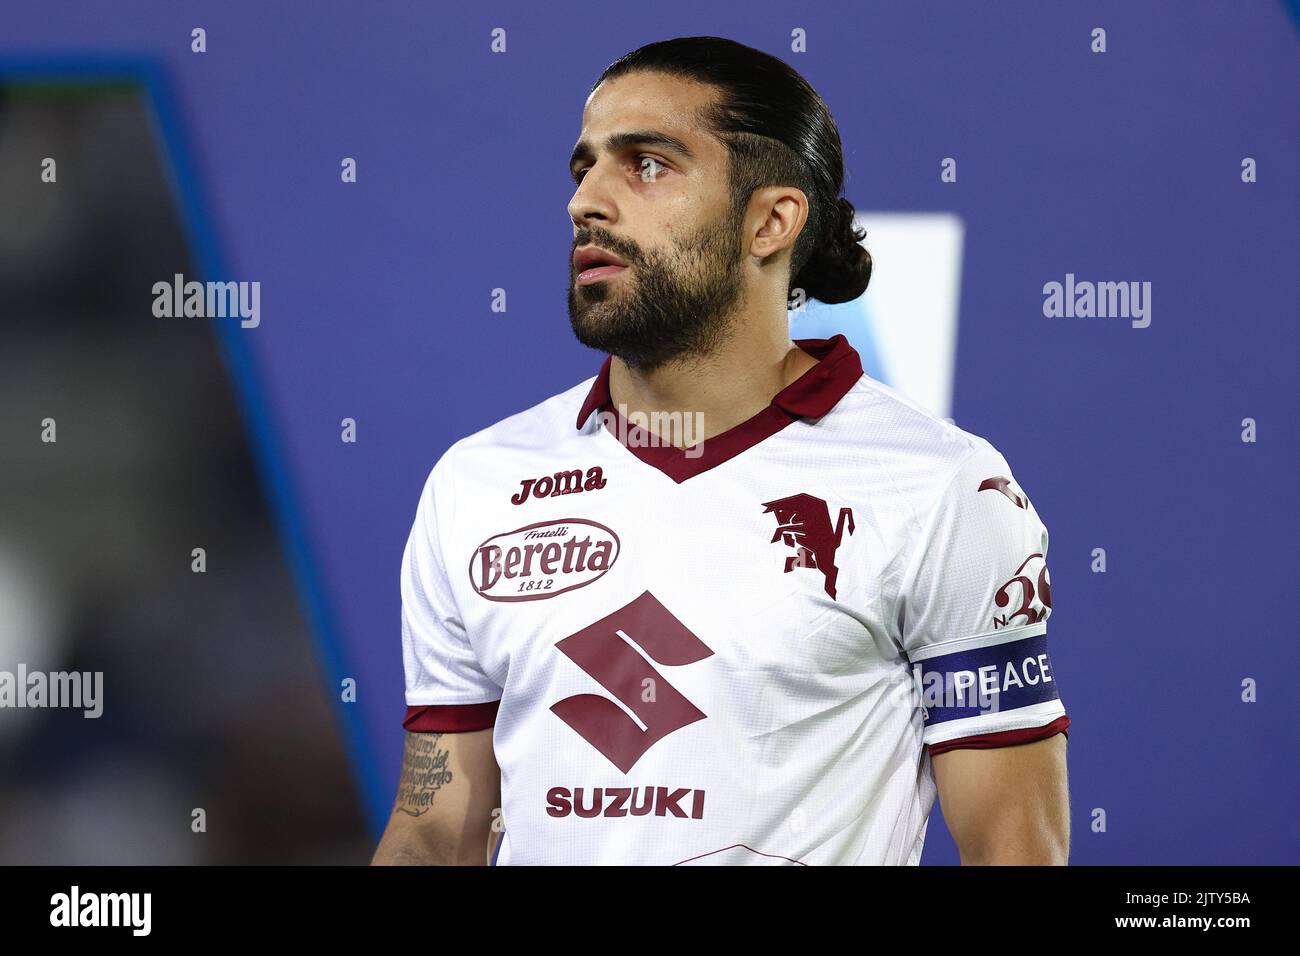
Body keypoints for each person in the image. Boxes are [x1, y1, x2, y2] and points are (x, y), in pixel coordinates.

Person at [372, 36, 1069, 866]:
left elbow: (1014, 848)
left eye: (648, 164)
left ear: (771, 220)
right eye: (584, 168)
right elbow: (431, 831)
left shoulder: (941, 486)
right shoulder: (476, 483)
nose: (585, 201)